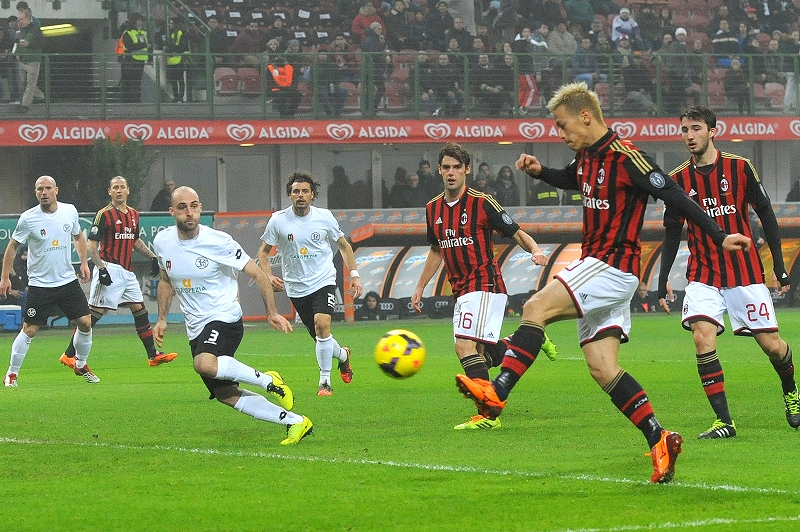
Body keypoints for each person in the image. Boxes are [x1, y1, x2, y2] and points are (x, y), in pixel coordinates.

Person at [454, 82, 751, 483]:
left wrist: (718, 235)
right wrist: (542, 173)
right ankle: (660, 439)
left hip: (611, 265)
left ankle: (498, 390)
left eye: (562, 126)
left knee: (534, 308)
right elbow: (573, 180)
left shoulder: (628, 158)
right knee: (603, 367)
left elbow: (676, 196)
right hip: (601, 269)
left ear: (586, 117)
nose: (560, 134)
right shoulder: (586, 158)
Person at [657, 106, 798, 439]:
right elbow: (672, 231)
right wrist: (662, 278)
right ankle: (724, 422)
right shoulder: (676, 181)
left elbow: (767, 215)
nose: (689, 135)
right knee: (701, 337)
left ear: (711, 131)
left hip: (744, 273)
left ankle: (791, 391)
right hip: (704, 273)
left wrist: (778, 267)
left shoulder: (740, 167)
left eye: (695, 128)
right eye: (684, 130)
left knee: (772, 345)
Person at [411, 142, 558, 430]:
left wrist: (535, 251)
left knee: (463, 345)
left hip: (485, 283)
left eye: (456, 167)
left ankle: (489, 413)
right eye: (446, 168)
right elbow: (437, 250)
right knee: (479, 354)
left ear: (467, 169)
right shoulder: (433, 209)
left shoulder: (482, 202)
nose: (451, 173)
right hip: (461, 288)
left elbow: (516, 231)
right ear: (439, 171)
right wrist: (420, 286)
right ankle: (527, 340)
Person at [152, 186, 313, 445]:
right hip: (195, 328)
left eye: (194, 206)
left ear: (200, 208)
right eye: (182, 207)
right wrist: (161, 319)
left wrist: (271, 312)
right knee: (226, 394)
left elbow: (258, 274)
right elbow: (165, 280)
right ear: (172, 211)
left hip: (224, 318)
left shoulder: (219, 241)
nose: (189, 213)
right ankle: (296, 422)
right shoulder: (162, 242)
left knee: (204, 363)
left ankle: (268, 380)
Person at [58, 176, 178, 368]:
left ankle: (152, 355)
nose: (119, 190)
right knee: (92, 316)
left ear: (128, 190)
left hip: (127, 272)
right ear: (110, 191)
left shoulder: (134, 214)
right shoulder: (104, 214)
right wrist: (101, 268)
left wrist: (153, 257)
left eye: (122, 187)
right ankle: (68, 354)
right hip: (110, 267)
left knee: (140, 310)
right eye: (115, 187)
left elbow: (135, 241)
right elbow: (91, 245)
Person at [258, 172, 360, 396]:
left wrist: (354, 274)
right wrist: (268, 276)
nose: (300, 195)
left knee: (322, 324)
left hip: (323, 280)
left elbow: (344, 246)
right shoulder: (278, 220)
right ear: (290, 195)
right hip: (296, 287)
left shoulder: (324, 217)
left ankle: (325, 382)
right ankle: (343, 355)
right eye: (296, 191)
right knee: (320, 337)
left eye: (305, 191)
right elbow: (263, 253)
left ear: (312, 194)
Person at [2, 176, 99, 387]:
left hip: (66, 281)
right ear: (35, 193)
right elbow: (12, 246)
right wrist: (5, 277)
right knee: (29, 329)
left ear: (56, 190)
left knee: (85, 323)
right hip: (40, 284)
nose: (44, 192)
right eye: (39, 189)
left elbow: (78, 236)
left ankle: (80, 364)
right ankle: (11, 373)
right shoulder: (28, 218)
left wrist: (83, 262)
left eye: (47, 188)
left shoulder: (69, 211)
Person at [12, 7, 41, 114]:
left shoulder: (36, 29)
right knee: (26, 83)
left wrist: (29, 44)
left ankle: (25, 105)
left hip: (32, 61)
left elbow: (41, 43)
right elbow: (19, 43)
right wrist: (18, 53)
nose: (19, 22)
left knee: (30, 84)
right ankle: (41, 96)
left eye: (21, 19)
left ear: (28, 18)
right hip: (23, 60)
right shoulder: (22, 30)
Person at [119, 13, 150, 103]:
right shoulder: (127, 33)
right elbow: (130, 46)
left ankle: (136, 100)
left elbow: (149, 46)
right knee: (129, 82)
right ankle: (128, 101)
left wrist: (150, 58)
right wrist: (144, 45)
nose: (141, 22)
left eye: (141, 20)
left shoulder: (144, 32)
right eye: (139, 20)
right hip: (130, 61)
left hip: (141, 60)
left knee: (137, 82)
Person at [162, 18, 189, 103]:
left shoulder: (181, 33)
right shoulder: (172, 34)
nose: (169, 25)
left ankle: (180, 97)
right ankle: (176, 97)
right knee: (173, 80)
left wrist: (169, 48)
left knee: (180, 79)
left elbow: (182, 47)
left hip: (179, 59)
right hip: (171, 60)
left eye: (171, 23)